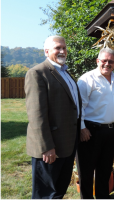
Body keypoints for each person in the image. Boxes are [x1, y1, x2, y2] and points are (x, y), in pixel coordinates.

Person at [25, 35, 81, 199]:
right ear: (46, 51)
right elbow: (37, 115)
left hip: (67, 143)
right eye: (58, 48)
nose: (62, 51)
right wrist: (47, 146)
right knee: (45, 194)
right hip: (50, 147)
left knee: (58, 191)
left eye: (64, 47)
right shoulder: (37, 73)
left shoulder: (65, 72)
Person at [76, 47, 114, 200]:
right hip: (90, 131)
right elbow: (78, 106)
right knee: (87, 172)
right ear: (97, 61)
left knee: (105, 170)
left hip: (111, 131)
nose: (107, 64)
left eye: (110, 61)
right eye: (104, 61)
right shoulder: (87, 79)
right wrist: (82, 128)